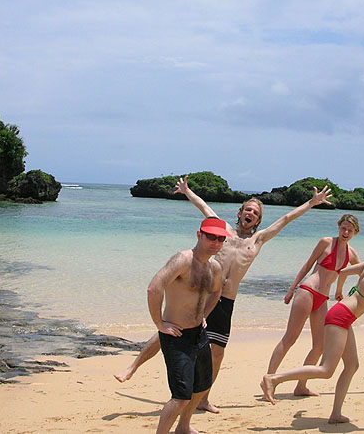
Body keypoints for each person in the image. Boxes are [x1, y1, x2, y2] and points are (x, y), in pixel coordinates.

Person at [115, 175, 333, 414]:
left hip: (226, 301)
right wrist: (187, 191)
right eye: (247, 210)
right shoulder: (222, 231)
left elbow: (286, 219)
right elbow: (204, 207)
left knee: (217, 353)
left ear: (258, 220)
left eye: (255, 213)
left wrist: (311, 203)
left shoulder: (258, 240)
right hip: (204, 293)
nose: (250, 214)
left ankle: (204, 399)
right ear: (239, 213)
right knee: (170, 330)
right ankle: (133, 366)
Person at [261, 239, 364, 424]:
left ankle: (335, 414)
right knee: (326, 370)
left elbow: (343, 272)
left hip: (344, 316)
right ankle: (274, 379)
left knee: (352, 365)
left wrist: (340, 290)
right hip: (340, 318)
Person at [266, 214, 361, 397]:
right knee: (290, 339)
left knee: (320, 346)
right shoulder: (326, 242)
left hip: (323, 299)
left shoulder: (352, 254)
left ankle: (301, 386)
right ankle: (269, 380)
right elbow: (307, 265)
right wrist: (291, 289)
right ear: (338, 226)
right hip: (308, 291)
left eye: (350, 230)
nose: (346, 232)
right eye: (343, 228)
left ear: (355, 232)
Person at [149, 217, 228, 434]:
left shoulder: (215, 267)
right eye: (211, 236)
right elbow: (154, 288)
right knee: (180, 396)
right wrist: (160, 323)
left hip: (198, 334)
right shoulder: (183, 260)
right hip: (176, 336)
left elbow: (215, 293)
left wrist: (204, 315)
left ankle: (183, 427)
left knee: (202, 387)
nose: (216, 242)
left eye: (221, 239)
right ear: (199, 235)